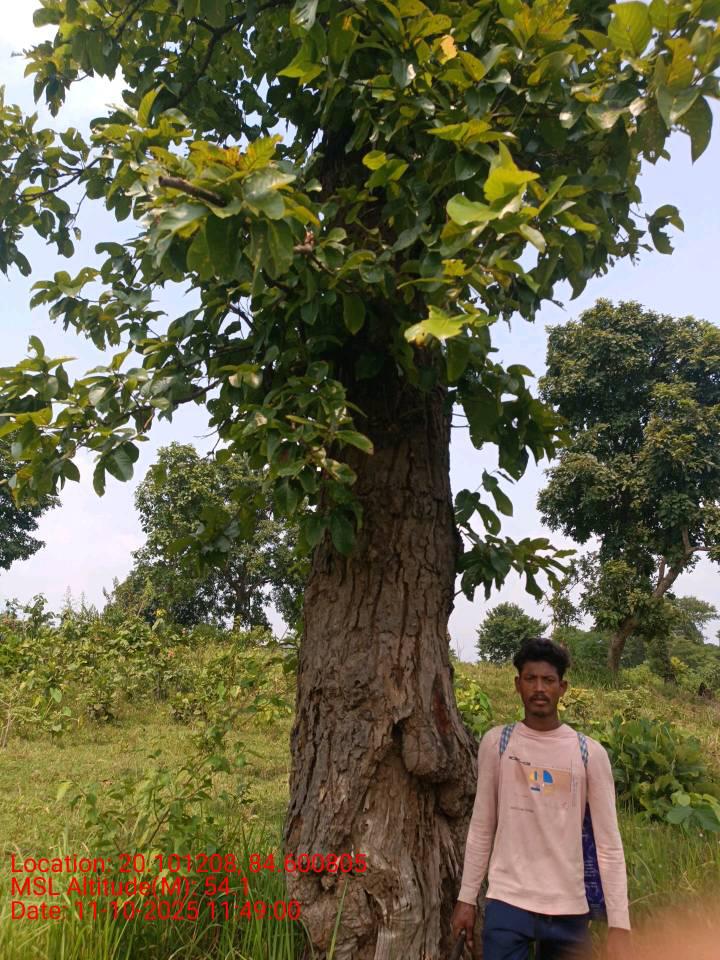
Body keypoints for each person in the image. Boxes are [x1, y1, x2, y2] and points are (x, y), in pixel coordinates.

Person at [451, 637, 632, 960]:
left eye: (548, 680)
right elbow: (481, 827)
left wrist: (620, 923)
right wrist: (466, 899)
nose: (539, 688)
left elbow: (609, 844)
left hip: (569, 910)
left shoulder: (588, 753)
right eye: (530, 679)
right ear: (517, 684)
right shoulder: (498, 744)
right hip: (508, 903)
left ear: (562, 688)